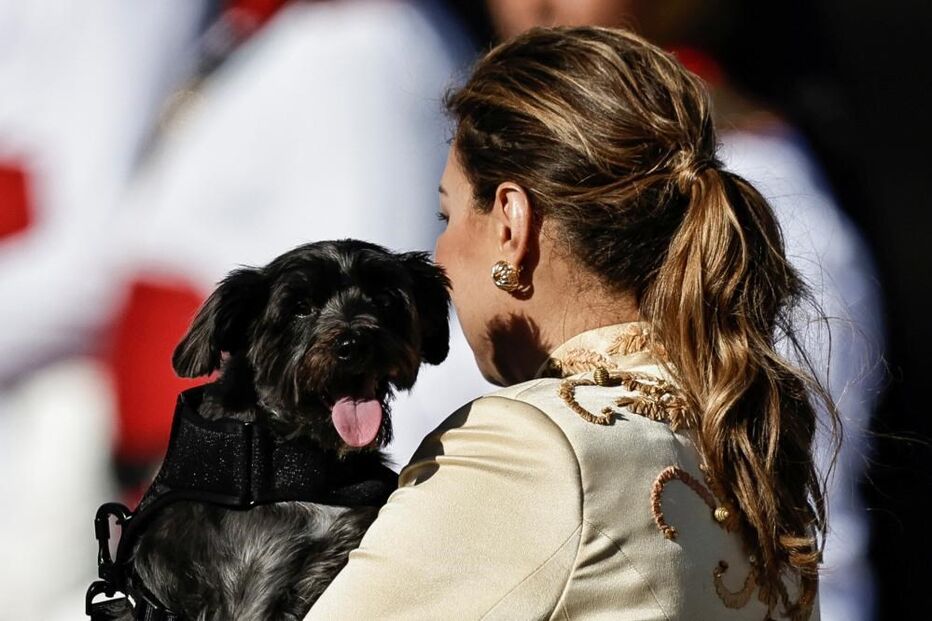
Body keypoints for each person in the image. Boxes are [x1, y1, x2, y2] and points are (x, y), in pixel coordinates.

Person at [308, 26, 833, 620]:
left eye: (448, 214)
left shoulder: (528, 450)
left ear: (510, 223)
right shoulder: (745, 442)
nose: (439, 255)